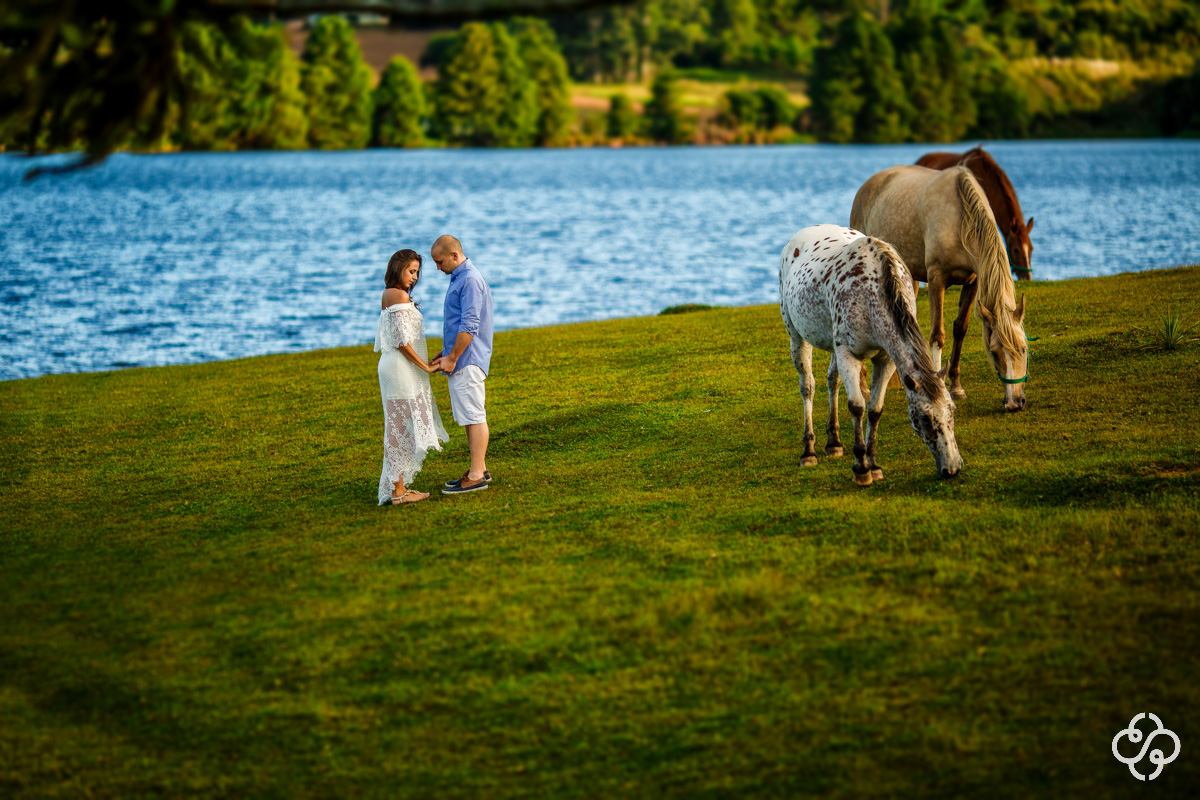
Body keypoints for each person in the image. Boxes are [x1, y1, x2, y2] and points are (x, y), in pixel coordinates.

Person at [375, 249, 449, 505]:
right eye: (411, 271)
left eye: (417, 272)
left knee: (401, 425)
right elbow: (402, 342)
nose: (415, 277)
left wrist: (424, 363)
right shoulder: (397, 294)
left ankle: (398, 487)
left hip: (398, 365)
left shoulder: (391, 293)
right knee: (398, 426)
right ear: (398, 268)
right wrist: (427, 368)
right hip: (398, 366)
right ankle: (397, 491)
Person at [429, 235, 494, 495]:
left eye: (439, 261)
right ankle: (479, 468)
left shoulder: (469, 279)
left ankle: (477, 475)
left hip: (467, 359)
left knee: (475, 416)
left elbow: (469, 325)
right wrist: (446, 352)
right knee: (469, 415)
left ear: (454, 256)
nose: (437, 268)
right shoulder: (460, 277)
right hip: (461, 357)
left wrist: (453, 357)